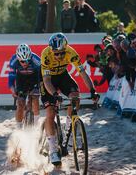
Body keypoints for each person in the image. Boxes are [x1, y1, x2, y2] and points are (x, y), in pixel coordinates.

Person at [40, 33, 99, 165]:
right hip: (48, 80)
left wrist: (92, 90)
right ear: (51, 50)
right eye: (56, 53)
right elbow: (47, 81)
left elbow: (83, 73)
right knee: (50, 111)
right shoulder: (46, 54)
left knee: (75, 97)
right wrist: (55, 94)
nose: (59, 56)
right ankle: (53, 150)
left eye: (61, 53)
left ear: (66, 49)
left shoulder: (71, 52)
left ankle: (68, 127)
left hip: (63, 76)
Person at [8, 44, 41, 129]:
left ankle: (36, 125)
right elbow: (11, 79)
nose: (25, 63)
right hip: (21, 79)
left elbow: (42, 77)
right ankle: (19, 129)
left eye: (27, 60)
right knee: (20, 103)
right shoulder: (13, 60)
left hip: (34, 77)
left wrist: (41, 87)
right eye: (22, 61)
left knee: (35, 99)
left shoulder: (36, 60)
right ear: (18, 59)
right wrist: (13, 90)